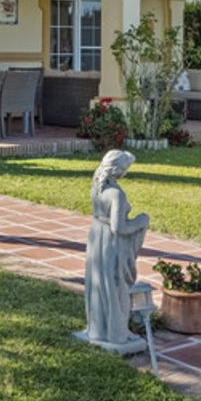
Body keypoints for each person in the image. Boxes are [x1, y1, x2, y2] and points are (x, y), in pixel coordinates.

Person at [80, 149, 150, 352]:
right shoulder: (116, 194)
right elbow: (119, 228)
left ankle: (100, 328)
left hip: (96, 238)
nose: (126, 172)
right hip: (111, 244)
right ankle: (116, 333)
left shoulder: (97, 187)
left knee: (99, 284)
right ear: (118, 169)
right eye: (125, 168)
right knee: (115, 285)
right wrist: (140, 221)